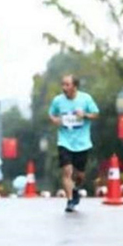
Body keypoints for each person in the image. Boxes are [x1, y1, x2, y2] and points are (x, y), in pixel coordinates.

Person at [48, 74, 99, 213]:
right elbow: (51, 114)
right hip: (64, 141)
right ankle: (70, 200)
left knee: (80, 175)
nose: (64, 87)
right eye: (63, 84)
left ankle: (75, 188)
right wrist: (55, 120)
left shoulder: (85, 99)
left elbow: (96, 113)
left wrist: (85, 115)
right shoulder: (58, 101)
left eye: (67, 85)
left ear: (75, 86)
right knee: (67, 171)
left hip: (82, 143)